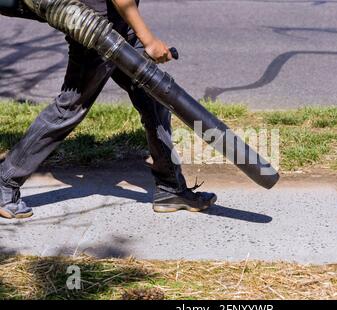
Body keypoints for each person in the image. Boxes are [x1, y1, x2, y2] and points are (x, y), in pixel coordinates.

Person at [0, 0, 217, 219]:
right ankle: (5, 181)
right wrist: (148, 40)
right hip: (96, 26)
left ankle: (171, 187)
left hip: (118, 22)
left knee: (153, 95)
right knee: (70, 108)